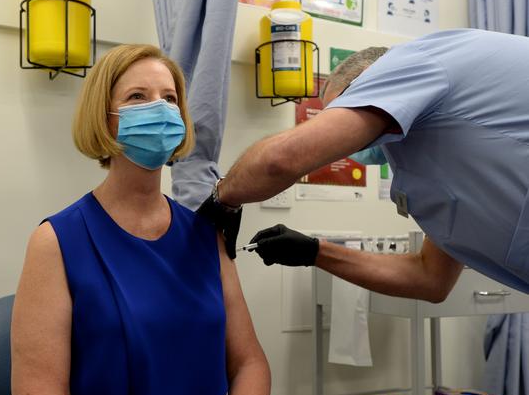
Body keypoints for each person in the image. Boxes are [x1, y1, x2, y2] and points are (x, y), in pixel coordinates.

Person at [2, 44, 270, 395]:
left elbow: (249, 362)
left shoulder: (204, 236)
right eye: (137, 97)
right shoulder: (57, 241)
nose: (160, 110)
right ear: (104, 117)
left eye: (170, 99)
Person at [199, 29, 529, 303]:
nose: (349, 143)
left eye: (339, 111)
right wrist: (314, 251)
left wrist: (222, 198)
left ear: (365, 81)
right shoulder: (428, 156)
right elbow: (430, 279)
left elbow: (280, 160)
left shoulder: (407, 63)